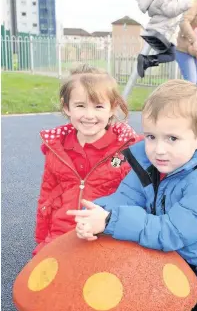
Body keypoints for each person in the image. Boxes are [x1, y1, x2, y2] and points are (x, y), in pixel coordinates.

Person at [68, 79, 197, 311]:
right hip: (188, 251)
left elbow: (170, 232)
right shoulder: (152, 164)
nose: (158, 149)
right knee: (155, 291)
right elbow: (125, 198)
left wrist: (109, 221)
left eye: (172, 138)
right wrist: (97, 213)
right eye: (151, 136)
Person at [33, 65, 141, 256]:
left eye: (98, 106)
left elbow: (136, 200)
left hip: (105, 235)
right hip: (61, 233)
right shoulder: (57, 149)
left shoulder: (127, 152)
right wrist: (42, 240)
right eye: (80, 105)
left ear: (112, 108)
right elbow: (47, 196)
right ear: (67, 107)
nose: (89, 115)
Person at [136, 0, 195, 78]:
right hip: (161, 31)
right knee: (171, 55)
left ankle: (147, 61)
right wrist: (186, 5)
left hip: (157, 29)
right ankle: (146, 60)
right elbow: (170, 10)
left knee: (170, 55)